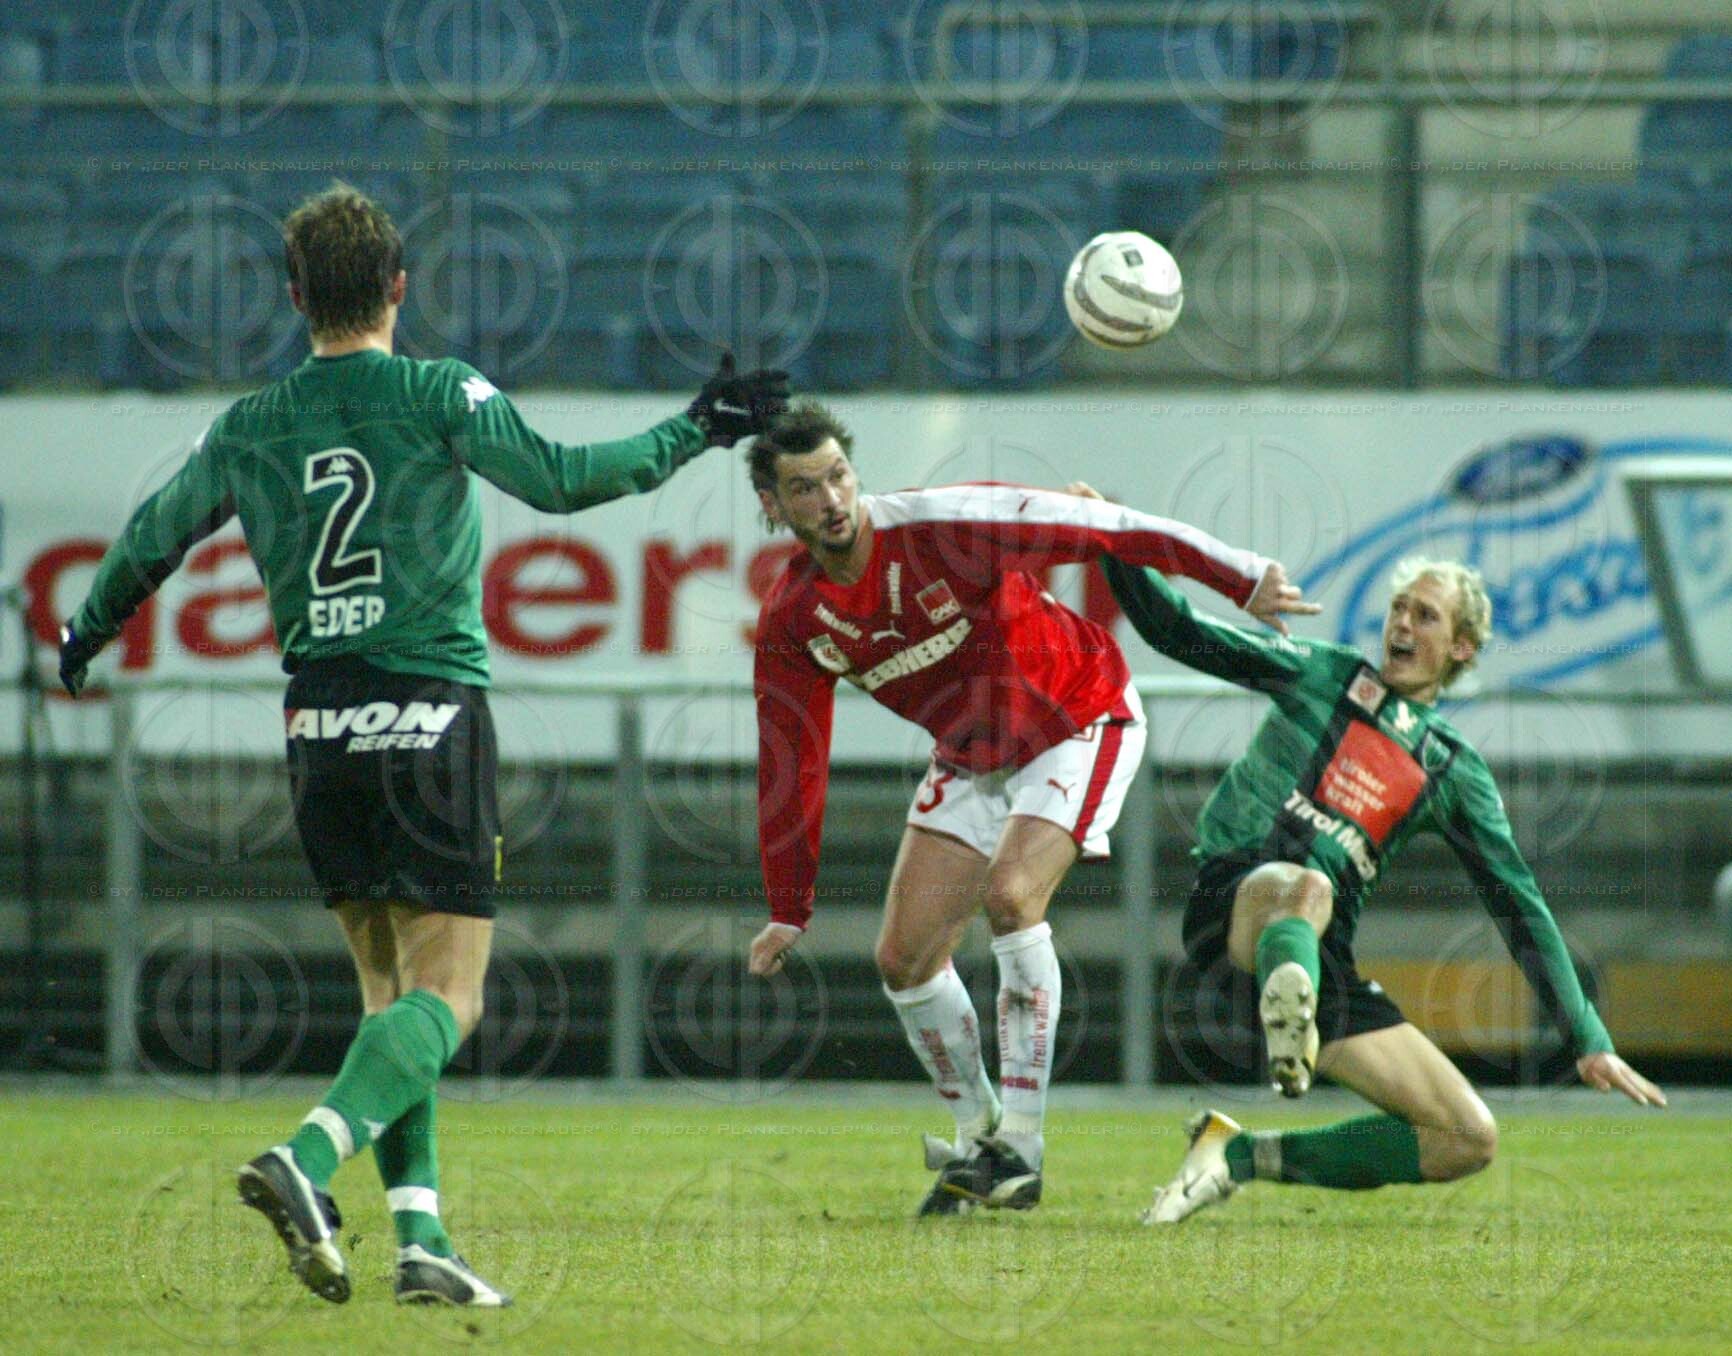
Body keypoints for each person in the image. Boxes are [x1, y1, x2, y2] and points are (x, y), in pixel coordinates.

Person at [57, 183, 789, 1303]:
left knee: (390, 998)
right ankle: (304, 1159)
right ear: (400, 286)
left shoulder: (248, 424)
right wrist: (697, 425)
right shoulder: (438, 390)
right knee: (450, 998)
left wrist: (85, 631)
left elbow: (154, 538)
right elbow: (563, 479)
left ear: (295, 295)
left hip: (317, 725)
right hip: (427, 713)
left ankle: (421, 1239)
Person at [742, 404, 1317, 1215]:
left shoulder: (942, 525)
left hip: (1079, 716)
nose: (831, 497)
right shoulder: (796, 619)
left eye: (838, 474)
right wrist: (788, 906)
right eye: (804, 487)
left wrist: (1239, 574)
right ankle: (980, 1138)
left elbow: (1104, 525)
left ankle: (1023, 1145)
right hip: (974, 757)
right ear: (775, 506)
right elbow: (789, 758)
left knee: (1012, 896)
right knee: (902, 958)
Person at [1092, 524, 1666, 1225]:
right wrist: (1110, 541)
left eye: (1425, 615)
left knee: (1466, 1138)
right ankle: (1288, 1017)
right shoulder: (1324, 673)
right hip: (1236, 907)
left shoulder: (1453, 769)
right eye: (1399, 607)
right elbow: (1182, 633)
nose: (1401, 621)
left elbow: (1519, 905)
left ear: (1460, 648)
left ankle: (1236, 1156)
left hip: (1319, 957)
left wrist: (1588, 1039)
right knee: (1305, 885)